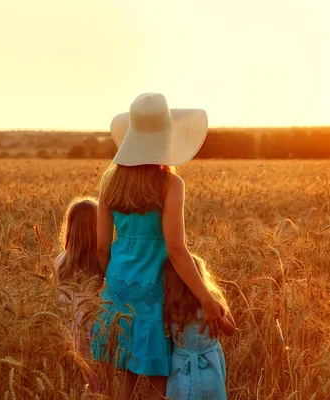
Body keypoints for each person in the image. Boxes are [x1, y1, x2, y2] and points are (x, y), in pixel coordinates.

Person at [91, 92, 226, 400]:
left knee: (119, 381)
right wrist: (205, 298)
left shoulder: (109, 181)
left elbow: (101, 247)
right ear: (166, 137)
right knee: (156, 381)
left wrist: (108, 280)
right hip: (154, 292)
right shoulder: (170, 184)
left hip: (117, 289)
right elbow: (176, 249)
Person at [163, 254, 236, 400]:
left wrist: (217, 314)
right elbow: (231, 330)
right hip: (206, 365)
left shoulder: (168, 304)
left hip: (185, 368)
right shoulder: (170, 304)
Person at [55, 197, 103, 390]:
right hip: (93, 329)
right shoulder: (102, 262)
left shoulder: (60, 262)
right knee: (95, 378)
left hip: (68, 328)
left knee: (73, 377)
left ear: (70, 227)